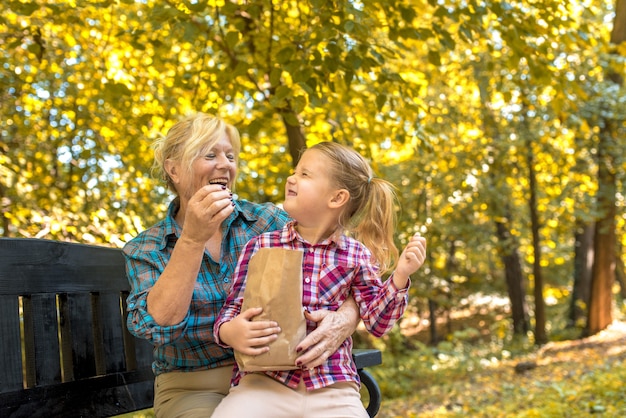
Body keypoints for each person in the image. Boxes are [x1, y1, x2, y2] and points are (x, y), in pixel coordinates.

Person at [123, 114, 360, 418]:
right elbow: (159, 327)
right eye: (210, 154)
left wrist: (344, 320)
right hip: (194, 387)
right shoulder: (146, 248)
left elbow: (352, 266)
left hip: (276, 377)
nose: (225, 164)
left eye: (230, 156)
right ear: (174, 169)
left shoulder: (267, 223)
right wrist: (192, 240)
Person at [212, 141, 427, 417]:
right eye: (295, 171)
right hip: (263, 383)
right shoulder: (261, 246)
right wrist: (230, 332)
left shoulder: (356, 255)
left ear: (336, 198)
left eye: (305, 174)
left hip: (334, 387)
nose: (292, 178)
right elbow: (232, 308)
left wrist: (400, 276)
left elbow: (377, 323)